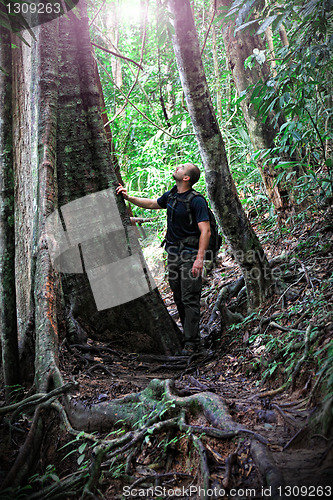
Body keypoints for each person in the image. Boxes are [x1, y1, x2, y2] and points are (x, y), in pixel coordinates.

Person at [116, 163, 211, 355]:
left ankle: (192, 342)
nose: (177, 167)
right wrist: (128, 198)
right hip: (173, 253)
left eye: (182, 167)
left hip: (190, 254)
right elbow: (153, 204)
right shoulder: (172, 195)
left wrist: (199, 259)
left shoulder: (197, 201)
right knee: (178, 295)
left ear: (187, 178)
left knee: (190, 297)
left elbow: (206, 230)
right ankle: (187, 335)